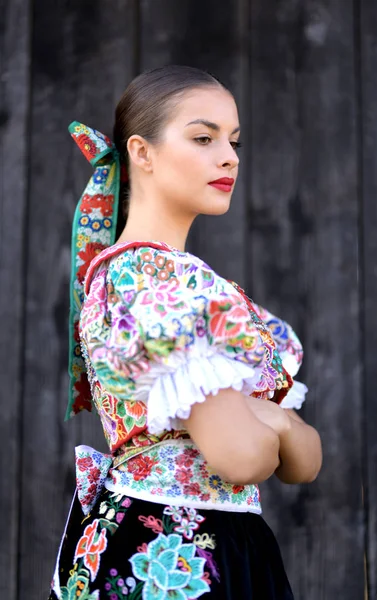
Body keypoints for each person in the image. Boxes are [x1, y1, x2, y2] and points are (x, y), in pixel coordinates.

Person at [48, 65, 322, 600]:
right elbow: (243, 456)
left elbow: (303, 464)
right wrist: (274, 421)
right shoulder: (146, 279)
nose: (230, 157)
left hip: (226, 542)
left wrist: (275, 423)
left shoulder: (196, 286)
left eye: (234, 140)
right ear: (141, 153)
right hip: (172, 550)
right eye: (203, 137)